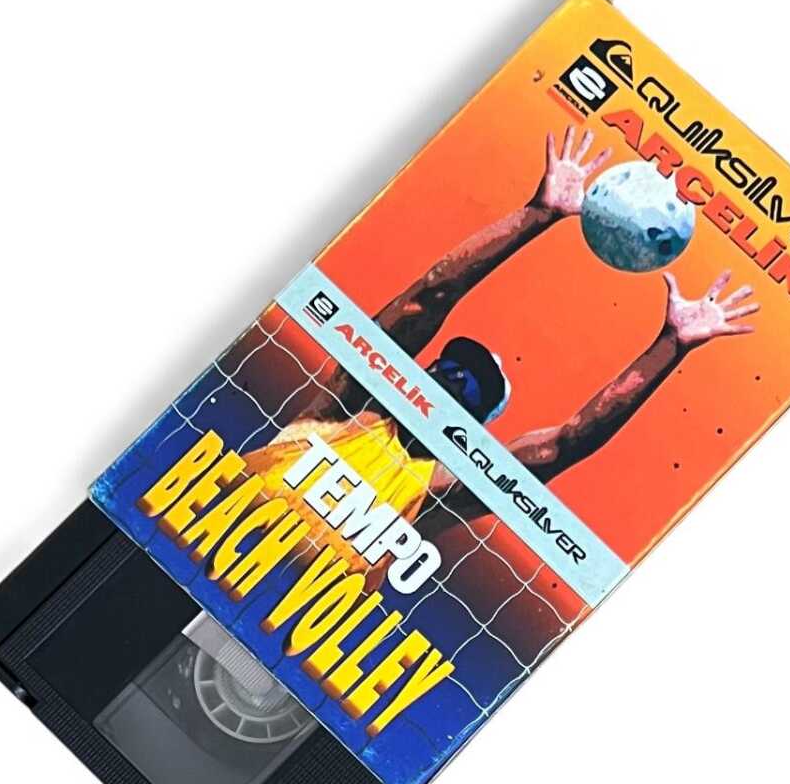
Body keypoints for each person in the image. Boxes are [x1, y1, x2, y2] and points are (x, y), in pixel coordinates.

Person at [240, 127, 759, 550]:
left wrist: (671, 344)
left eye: (474, 384)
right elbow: (429, 296)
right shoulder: (345, 411)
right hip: (215, 526)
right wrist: (537, 214)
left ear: (473, 426)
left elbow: (564, 445)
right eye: (450, 364)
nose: (453, 376)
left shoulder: (432, 494)